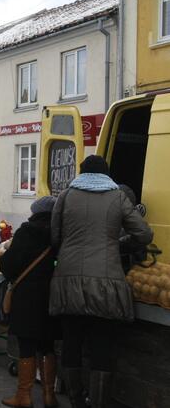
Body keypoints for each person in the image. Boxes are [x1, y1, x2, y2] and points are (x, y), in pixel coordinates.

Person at [49, 155, 152, 408]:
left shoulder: (66, 195)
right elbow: (144, 234)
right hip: (107, 283)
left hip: (68, 280)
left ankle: (75, 402)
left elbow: (54, 236)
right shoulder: (118, 197)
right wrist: (118, 245)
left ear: (81, 172)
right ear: (107, 174)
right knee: (102, 345)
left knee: (71, 342)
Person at [0, 196, 60, 408]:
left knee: (27, 345)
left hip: (27, 296)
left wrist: (2, 254)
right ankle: (49, 395)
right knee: (47, 344)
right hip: (52, 295)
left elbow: (9, 266)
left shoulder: (27, 232)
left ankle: (24, 396)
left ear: (36, 212)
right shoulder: (59, 233)